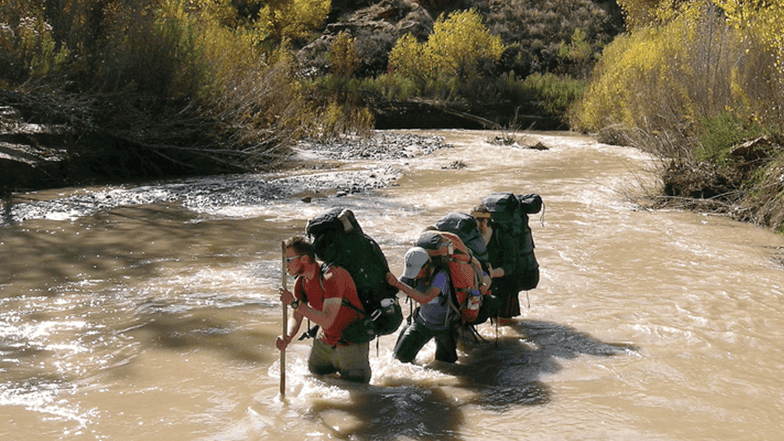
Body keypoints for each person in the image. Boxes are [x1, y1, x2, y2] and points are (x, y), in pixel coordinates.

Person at [276, 236, 371, 383]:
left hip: (351, 342)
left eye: (288, 260)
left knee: (357, 391)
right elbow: (296, 315)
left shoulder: (331, 276)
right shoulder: (300, 282)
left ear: (305, 259)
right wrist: (287, 336)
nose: (285, 265)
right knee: (316, 379)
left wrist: (294, 303)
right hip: (325, 339)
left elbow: (327, 320)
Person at [386, 247, 460, 364]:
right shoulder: (411, 277)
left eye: (416, 271)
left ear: (426, 267)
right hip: (422, 323)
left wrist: (398, 284)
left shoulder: (441, 276)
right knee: (399, 360)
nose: (414, 276)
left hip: (444, 327)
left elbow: (425, 298)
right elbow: (393, 289)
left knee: (446, 366)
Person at [472, 205, 518, 325]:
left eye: (476, 223)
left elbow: (511, 265)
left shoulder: (503, 236)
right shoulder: (472, 237)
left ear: (485, 222)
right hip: (484, 281)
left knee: (503, 322)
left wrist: (493, 273)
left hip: (505, 283)